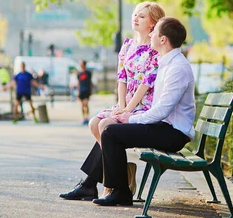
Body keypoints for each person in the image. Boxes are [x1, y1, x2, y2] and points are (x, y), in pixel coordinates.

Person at [59, 17, 195, 207]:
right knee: (110, 129)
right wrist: (129, 116)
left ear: (163, 39)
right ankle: (94, 185)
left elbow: (163, 110)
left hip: (173, 133)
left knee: (111, 132)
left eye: (154, 32)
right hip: (164, 127)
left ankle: (119, 191)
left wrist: (132, 117)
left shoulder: (177, 68)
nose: (151, 34)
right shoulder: (167, 63)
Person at [88, 1, 165, 145]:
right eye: (135, 15)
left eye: (141, 16)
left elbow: (146, 84)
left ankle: (114, 166)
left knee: (105, 125)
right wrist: (122, 106)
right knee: (94, 123)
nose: (135, 18)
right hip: (125, 103)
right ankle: (120, 166)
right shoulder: (128, 45)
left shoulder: (155, 50)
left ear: (153, 24)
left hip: (143, 105)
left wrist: (128, 110)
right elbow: (122, 79)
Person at [77, 60, 94, 125]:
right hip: (81, 90)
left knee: (85, 104)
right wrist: (78, 91)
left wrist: (91, 90)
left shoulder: (88, 73)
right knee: (82, 105)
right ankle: (84, 117)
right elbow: (78, 83)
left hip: (87, 90)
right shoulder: (79, 73)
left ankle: (87, 117)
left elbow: (90, 82)